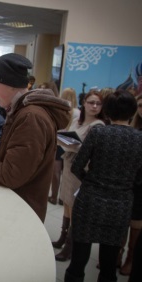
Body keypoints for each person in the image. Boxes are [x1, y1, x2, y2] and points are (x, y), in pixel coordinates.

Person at [0, 53, 71, 222]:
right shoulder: (21, 112)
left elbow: (11, 174)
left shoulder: (30, 117)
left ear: (10, 84)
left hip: (21, 212)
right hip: (17, 206)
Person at [64, 90, 142, 282]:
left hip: (90, 199)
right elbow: (139, 178)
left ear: (106, 111)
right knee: (109, 265)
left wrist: (91, 181)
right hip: (121, 204)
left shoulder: (99, 132)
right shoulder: (139, 138)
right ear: (132, 112)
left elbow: (77, 165)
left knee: (78, 261)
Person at [53, 90, 105, 262]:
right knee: (67, 202)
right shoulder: (77, 120)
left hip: (82, 169)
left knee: (76, 207)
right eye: (91, 102)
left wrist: (71, 143)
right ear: (84, 103)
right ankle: (62, 236)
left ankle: (70, 245)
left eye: (98, 103)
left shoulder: (98, 126)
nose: (94, 106)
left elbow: (89, 150)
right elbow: (69, 137)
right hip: (68, 165)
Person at [120, 94, 142, 276]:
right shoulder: (132, 129)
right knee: (123, 220)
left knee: (136, 222)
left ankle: (131, 257)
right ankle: (119, 252)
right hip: (127, 180)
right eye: (140, 105)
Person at [48, 87, 79, 205]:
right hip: (70, 143)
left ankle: (54, 196)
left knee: (55, 172)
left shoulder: (60, 110)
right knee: (66, 173)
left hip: (59, 141)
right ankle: (62, 198)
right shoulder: (78, 112)